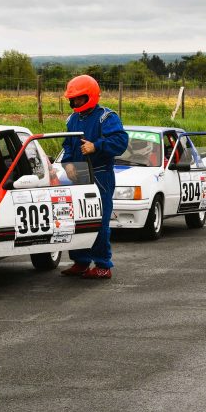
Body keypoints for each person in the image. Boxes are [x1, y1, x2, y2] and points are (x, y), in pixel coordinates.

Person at [59, 75, 129, 279]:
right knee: (78, 220)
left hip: (100, 175)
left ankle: (102, 265)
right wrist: (68, 164)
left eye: (79, 98)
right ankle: (80, 261)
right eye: (73, 99)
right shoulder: (72, 119)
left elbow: (120, 142)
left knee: (99, 221)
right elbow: (67, 145)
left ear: (89, 96)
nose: (74, 102)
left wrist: (96, 145)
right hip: (78, 174)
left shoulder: (106, 117)